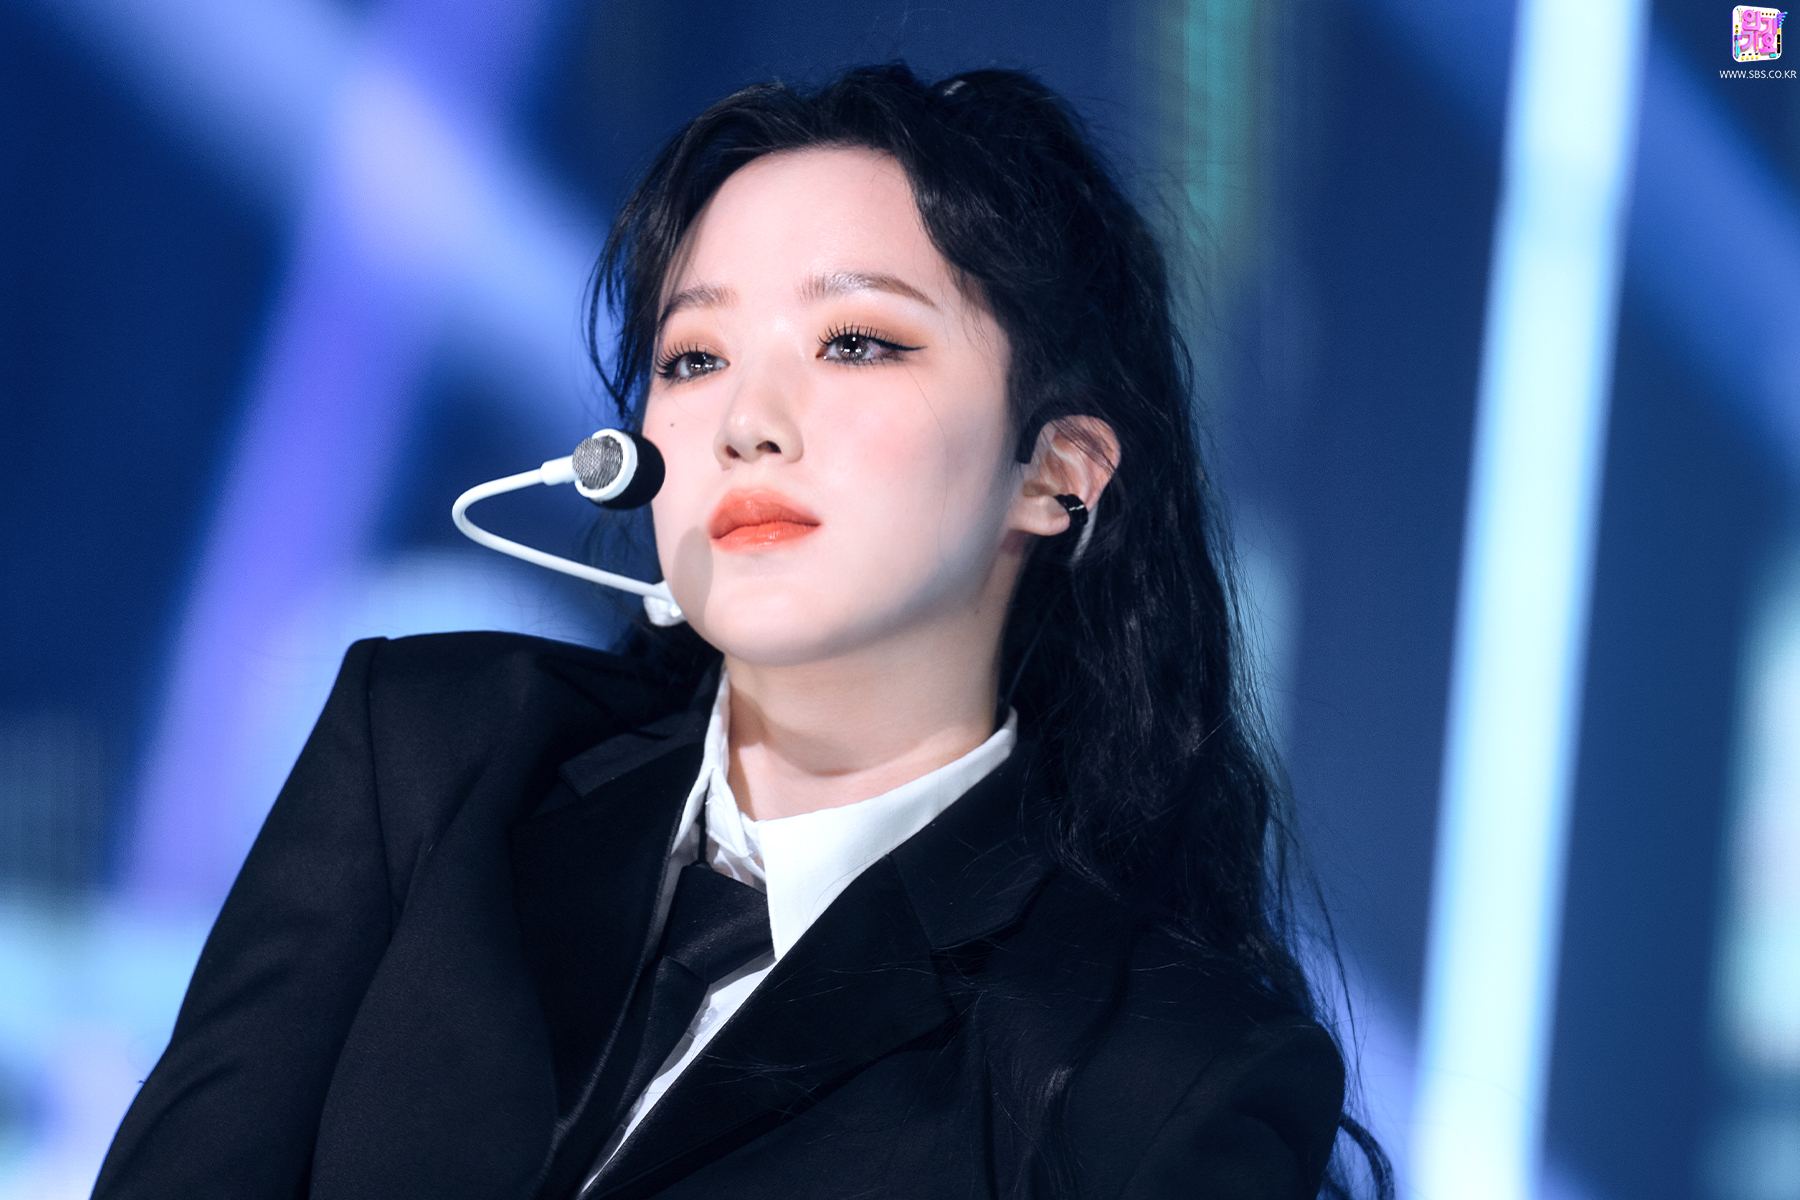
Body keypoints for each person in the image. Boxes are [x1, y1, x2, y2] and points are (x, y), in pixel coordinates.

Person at [91, 64, 1387, 1200]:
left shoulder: (1160, 1070)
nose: (747, 423)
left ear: (1061, 473)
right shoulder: (435, 753)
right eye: (694, 358)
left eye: (856, 342)